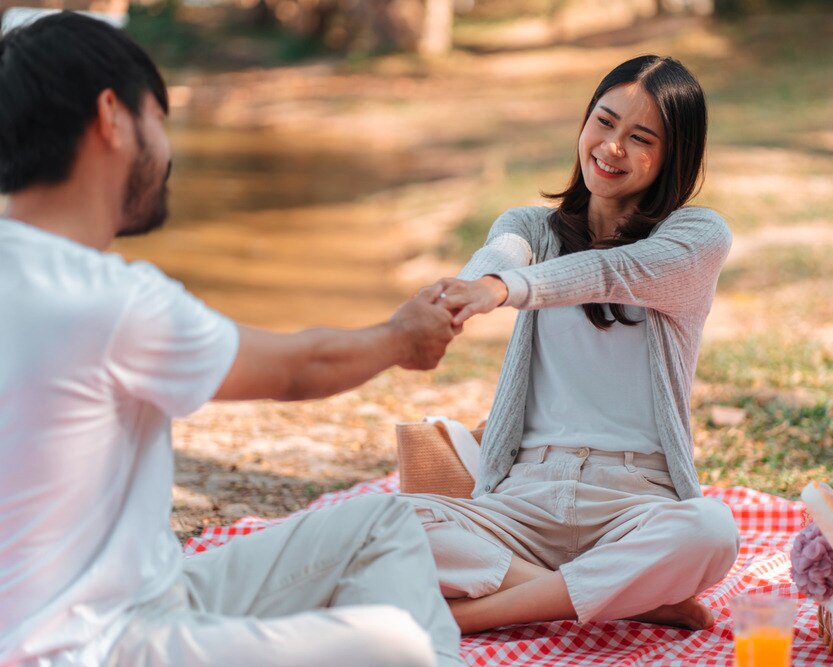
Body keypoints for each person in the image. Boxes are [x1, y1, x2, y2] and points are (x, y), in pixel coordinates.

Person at [0, 13, 462, 667]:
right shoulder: (111, 299)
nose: (164, 149)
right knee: (397, 647)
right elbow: (299, 368)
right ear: (111, 116)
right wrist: (399, 338)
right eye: (157, 119)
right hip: (98, 648)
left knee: (382, 523)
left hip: (154, 598)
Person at [404, 55, 740, 634]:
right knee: (388, 521)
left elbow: (610, 272)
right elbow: (497, 256)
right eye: (604, 123)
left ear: (672, 156)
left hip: (635, 503)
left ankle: (476, 615)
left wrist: (505, 290)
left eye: (640, 138)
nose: (612, 148)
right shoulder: (532, 227)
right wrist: (478, 284)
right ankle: (631, 600)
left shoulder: (695, 238)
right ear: (584, 123)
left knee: (711, 530)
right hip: (524, 501)